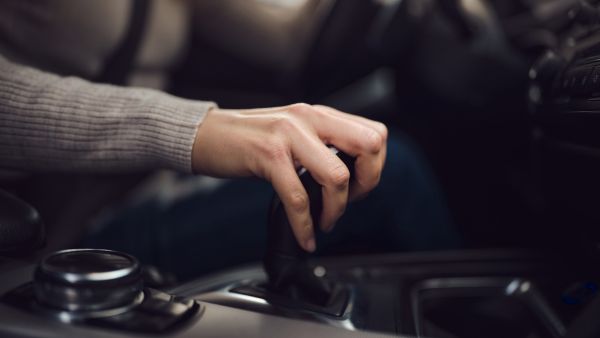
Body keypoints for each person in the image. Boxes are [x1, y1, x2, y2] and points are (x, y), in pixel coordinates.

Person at [0, 0, 459, 279]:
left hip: (144, 191)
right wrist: (197, 130)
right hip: (59, 230)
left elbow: (292, 41)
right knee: (397, 173)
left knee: (374, 158)